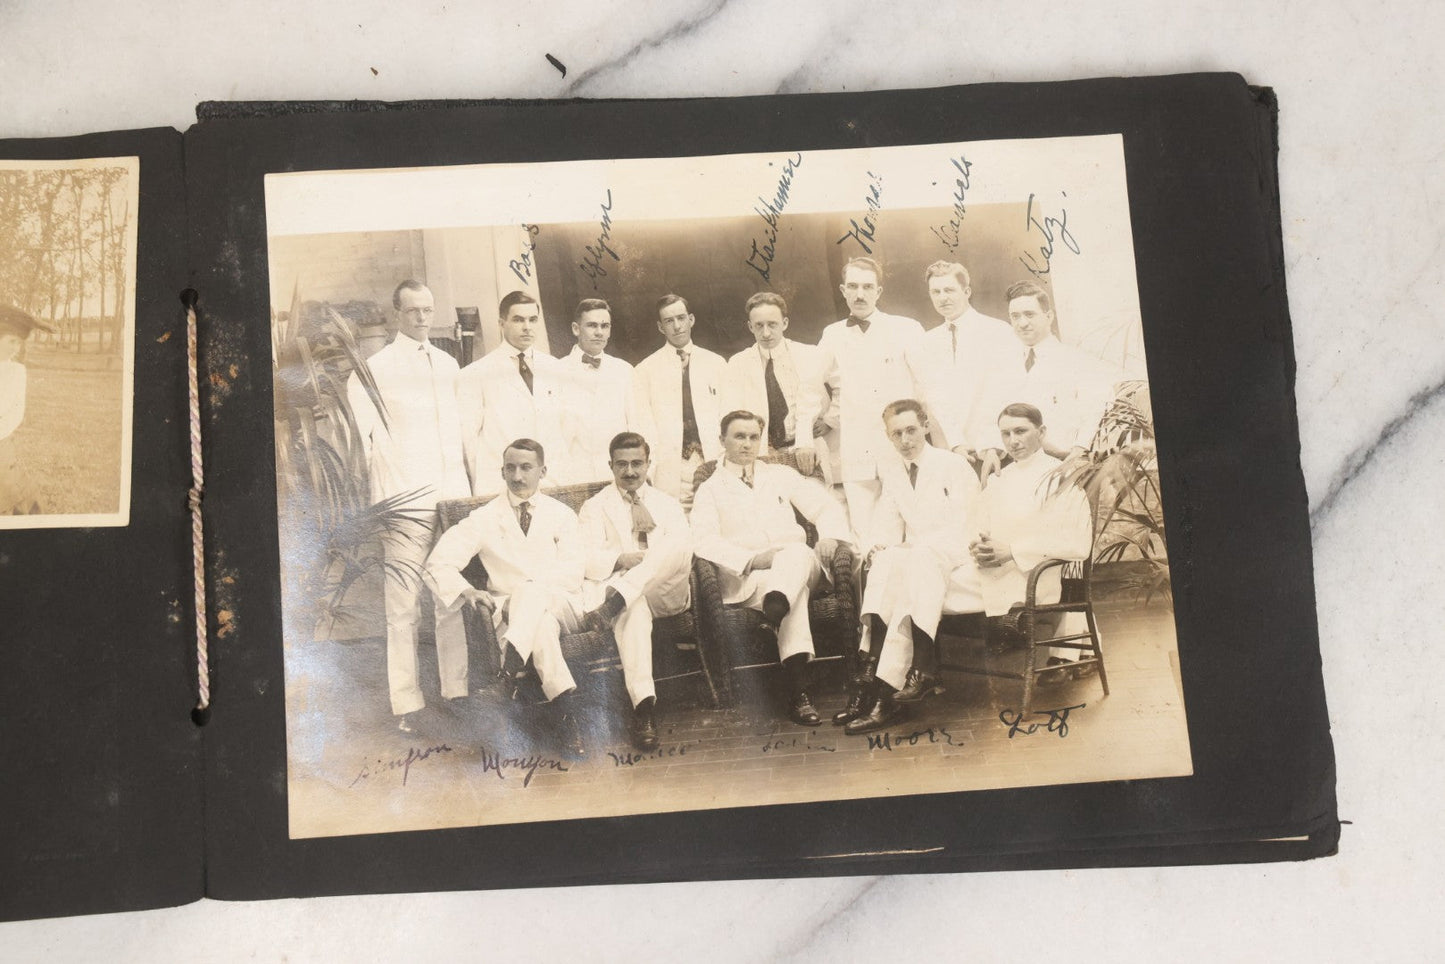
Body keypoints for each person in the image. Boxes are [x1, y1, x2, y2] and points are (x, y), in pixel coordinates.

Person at [345, 281, 472, 729]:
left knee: (449, 596)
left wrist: (463, 498)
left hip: (450, 499)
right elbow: (363, 449)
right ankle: (407, 704)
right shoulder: (372, 370)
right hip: (403, 503)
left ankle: (456, 691)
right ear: (396, 313)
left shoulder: (449, 365)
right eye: (414, 310)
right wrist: (386, 503)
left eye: (428, 310)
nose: (422, 318)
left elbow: (459, 436)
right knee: (402, 607)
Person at [424, 438, 590, 758]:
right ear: (501, 472)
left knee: (530, 593)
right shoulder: (484, 518)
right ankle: (567, 716)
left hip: (563, 605)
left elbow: (572, 573)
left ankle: (508, 674)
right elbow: (438, 563)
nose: (517, 476)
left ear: (543, 471)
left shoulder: (562, 515)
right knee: (541, 629)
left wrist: (528, 593)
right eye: (510, 468)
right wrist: (467, 590)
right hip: (511, 615)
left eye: (526, 467)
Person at [690, 410, 853, 726]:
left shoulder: (779, 474)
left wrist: (830, 537)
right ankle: (798, 688)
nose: (747, 444)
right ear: (722, 440)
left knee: (796, 552)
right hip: (752, 578)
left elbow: (825, 505)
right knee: (792, 592)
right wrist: (752, 560)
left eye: (754, 437)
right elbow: (703, 540)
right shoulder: (710, 489)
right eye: (739, 436)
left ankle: (775, 613)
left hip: (800, 563)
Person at [837, 399, 984, 735]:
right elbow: (887, 522)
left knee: (916, 560)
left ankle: (890, 684)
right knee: (887, 559)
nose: (905, 440)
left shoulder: (953, 465)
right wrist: (879, 546)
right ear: (888, 436)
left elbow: (971, 522)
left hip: (958, 551)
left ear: (926, 426)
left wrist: (920, 547)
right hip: (922, 558)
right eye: (896, 434)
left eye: (911, 430)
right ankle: (883, 670)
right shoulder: (894, 472)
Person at [796, 257, 936, 542]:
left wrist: (942, 441)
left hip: (902, 448)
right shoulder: (832, 334)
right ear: (843, 290)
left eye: (867, 287)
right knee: (864, 534)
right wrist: (804, 439)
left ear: (878, 291)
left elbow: (927, 387)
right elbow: (809, 387)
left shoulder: (906, 328)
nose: (860, 294)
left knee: (914, 530)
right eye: (853, 286)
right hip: (857, 451)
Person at [577, 431, 692, 751]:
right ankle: (644, 708)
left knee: (677, 544)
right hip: (625, 593)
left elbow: (681, 555)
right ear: (610, 466)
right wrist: (620, 559)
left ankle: (621, 596)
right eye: (622, 464)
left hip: (666, 592)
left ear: (648, 463)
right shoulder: (594, 507)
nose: (630, 471)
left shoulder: (667, 504)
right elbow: (583, 559)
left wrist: (641, 568)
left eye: (637, 463)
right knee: (634, 607)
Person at [972, 403, 1094, 676]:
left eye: (1021, 431)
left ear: (1042, 432)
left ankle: (1069, 652)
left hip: (1037, 573)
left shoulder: (1062, 476)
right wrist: (979, 547)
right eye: (1005, 434)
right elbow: (979, 527)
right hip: (997, 570)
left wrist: (1012, 551)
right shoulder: (998, 479)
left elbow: (1077, 542)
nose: (1013, 441)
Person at [971, 281, 1120, 485]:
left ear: (1049, 316)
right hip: (1013, 466)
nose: (1022, 323)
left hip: (1062, 466)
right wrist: (990, 450)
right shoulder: (1002, 366)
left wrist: (1078, 453)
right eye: (1015, 316)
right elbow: (988, 412)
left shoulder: (1077, 361)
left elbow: (1095, 410)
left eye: (1029, 314)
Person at [456, 290, 570, 495]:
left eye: (532, 320)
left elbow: (565, 429)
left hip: (552, 481)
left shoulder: (555, 368)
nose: (527, 327)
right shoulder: (476, 373)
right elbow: (469, 442)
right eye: (518, 320)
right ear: (502, 323)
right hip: (500, 484)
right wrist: (483, 485)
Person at [632, 294, 727, 509]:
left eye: (681, 318)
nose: (677, 326)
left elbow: (727, 417)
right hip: (671, 467)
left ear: (691, 319)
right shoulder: (645, 370)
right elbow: (644, 425)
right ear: (660, 327)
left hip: (713, 460)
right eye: (669, 321)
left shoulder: (716, 363)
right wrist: (651, 469)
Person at [920, 261, 1015, 464]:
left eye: (949, 290)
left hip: (994, 451)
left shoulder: (997, 331)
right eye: (936, 292)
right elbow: (935, 398)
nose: (942, 297)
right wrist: (955, 444)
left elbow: (1004, 393)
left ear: (967, 291)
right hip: (950, 452)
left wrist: (992, 446)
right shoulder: (927, 341)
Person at [722, 292, 824, 467]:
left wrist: (830, 420)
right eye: (759, 325)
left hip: (806, 448)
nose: (766, 333)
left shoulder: (807, 354)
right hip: (762, 455)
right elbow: (732, 413)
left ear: (785, 323)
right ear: (750, 327)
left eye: (772, 324)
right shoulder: (738, 363)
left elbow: (840, 387)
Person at [559, 298, 637, 483]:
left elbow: (636, 425)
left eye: (605, 326)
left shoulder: (624, 370)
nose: (599, 332)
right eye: (592, 325)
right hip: (573, 477)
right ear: (576, 329)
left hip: (617, 475)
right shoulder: (557, 370)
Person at [0, 305, 54, 515]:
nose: (15, 348)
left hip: (1, 445)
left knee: (11, 496)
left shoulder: (15, 372)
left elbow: (15, 415)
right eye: (11, 341)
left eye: (18, 343)